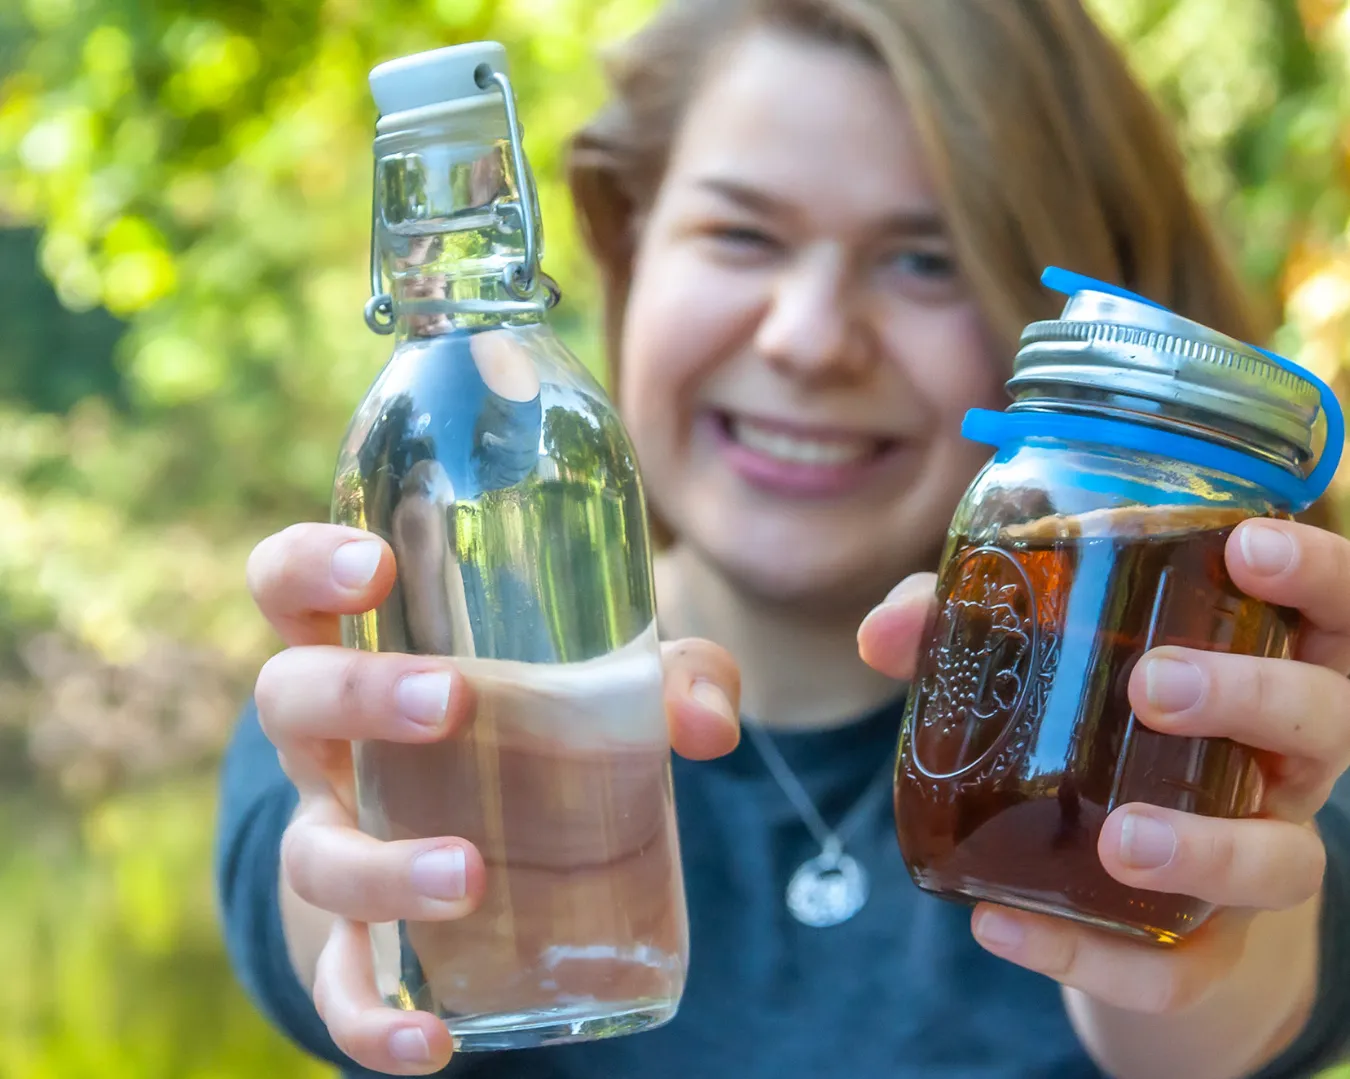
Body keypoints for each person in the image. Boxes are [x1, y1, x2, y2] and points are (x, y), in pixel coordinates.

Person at [216, 0, 1350, 1075]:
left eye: (926, 257)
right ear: (626, 244)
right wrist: (373, 881)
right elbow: (315, 896)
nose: (809, 340)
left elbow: (1230, 1013)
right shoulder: (378, 708)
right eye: (743, 233)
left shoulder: (1247, 715)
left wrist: (1198, 951)